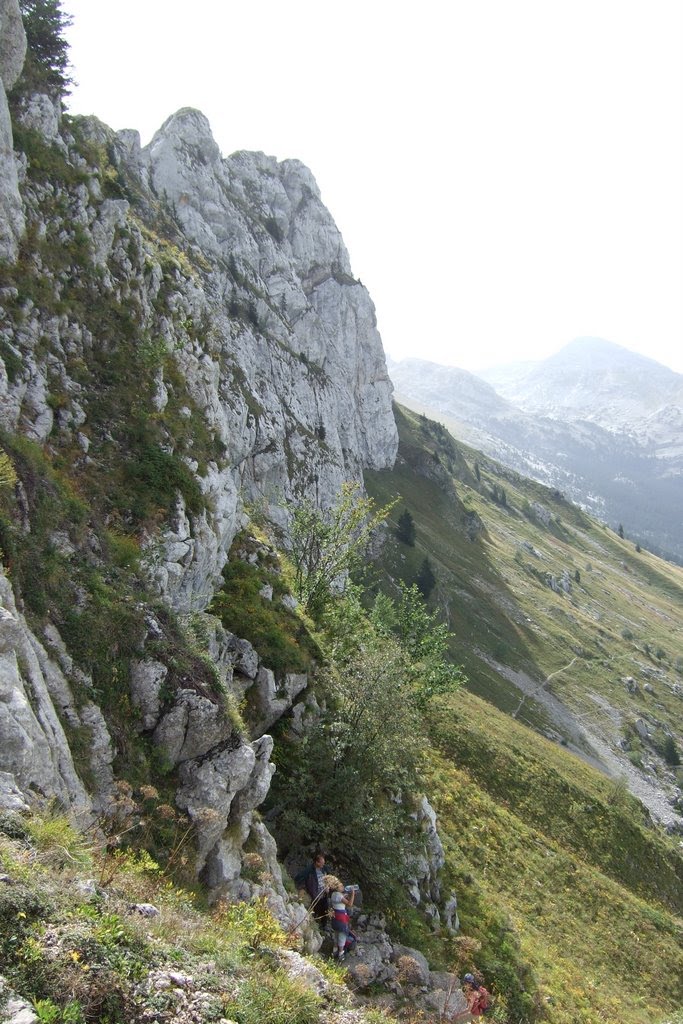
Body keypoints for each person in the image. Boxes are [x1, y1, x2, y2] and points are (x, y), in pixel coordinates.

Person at [324, 874, 357, 960]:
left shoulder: (333, 894)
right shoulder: (339, 895)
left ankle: (334, 951)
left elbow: (340, 900)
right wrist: (353, 894)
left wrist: (345, 896)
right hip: (341, 917)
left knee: (336, 934)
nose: (343, 887)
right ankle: (340, 953)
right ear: (337, 888)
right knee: (342, 934)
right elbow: (350, 904)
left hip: (335, 917)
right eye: (341, 886)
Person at [294, 851, 328, 924]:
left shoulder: (323, 869)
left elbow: (327, 878)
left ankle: (324, 926)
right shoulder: (309, 870)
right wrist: (303, 888)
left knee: (325, 911)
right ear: (317, 862)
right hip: (315, 896)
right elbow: (298, 878)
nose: (323, 865)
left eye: (323, 863)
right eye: (322, 863)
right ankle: (316, 926)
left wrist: (327, 886)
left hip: (324, 894)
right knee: (316, 911)